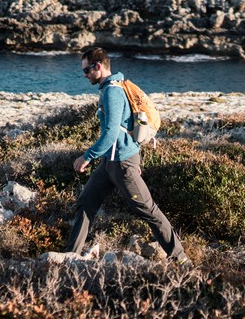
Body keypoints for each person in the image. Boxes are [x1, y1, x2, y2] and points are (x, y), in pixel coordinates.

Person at [64, 47, 188, 262]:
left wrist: (87, 156)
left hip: (122, 164)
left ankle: (180, 258)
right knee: (86, 203)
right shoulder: (110, 87)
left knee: (149, 211)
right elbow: (124, 129)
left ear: (99, 66)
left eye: (86, 71)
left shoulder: (113, 91)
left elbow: (112, 133)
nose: (84, 75)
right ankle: (70, 256)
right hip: (109, 163)